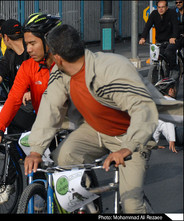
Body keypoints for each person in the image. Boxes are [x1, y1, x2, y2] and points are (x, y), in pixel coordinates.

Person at [25, 24, 159, 213]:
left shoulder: (112, 67)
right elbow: (50, 108)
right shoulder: (60, 73)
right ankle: (89, 206)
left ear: (57, 57)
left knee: (131, 204)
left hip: (130, 137)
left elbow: (142, 108)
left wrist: (126, 148)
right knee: (63, 158)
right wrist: (36, 150)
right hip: (94, 130)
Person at [0, 13, 62, 145]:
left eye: (33, 43)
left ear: (49, 40)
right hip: (46, 125)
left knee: (63, 158)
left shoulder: (67, 64)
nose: (28, 49)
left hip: (70, 126)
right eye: (26, 44)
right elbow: (13, 98)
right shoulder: (27, 66)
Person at [139, 0, 180, 80]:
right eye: (159, 7)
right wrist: (143, 38)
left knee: (168, 52)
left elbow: (176, 26)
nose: (161, 9)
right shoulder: (154, 14)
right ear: (157, 8)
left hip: (171, 41)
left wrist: (174, 37)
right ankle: (160, 74)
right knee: (157, 56)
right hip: (160, 41)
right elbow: (147, 26)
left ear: (166, 7)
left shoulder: (172, 13)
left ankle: (174, 69)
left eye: (163, 7)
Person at [153, 78, 183, 152]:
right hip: (178, 135)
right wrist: (172, 140)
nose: (176, 90)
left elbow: (157, 125)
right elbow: (170, 122)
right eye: (174, 88)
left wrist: (154, 142)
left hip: (174, 137)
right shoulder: (172, 103)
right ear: (170, 90)